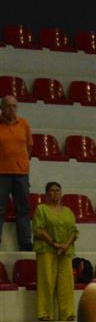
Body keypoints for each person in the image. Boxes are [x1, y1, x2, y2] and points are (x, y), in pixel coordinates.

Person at [33, 181, 78, 321]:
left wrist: (65, 245)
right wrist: (54, 244)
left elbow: (74, 231)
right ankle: (45, 314)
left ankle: (67, 313)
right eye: (52, 191)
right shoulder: (41, 209)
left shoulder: (68, 211)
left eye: (58, 190)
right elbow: (38, 229)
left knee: (66, 283)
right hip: (47, 249)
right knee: (46, 281)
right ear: (46, 194)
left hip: (65, 251)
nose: (55, 193)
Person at [0, 95, 34, 250]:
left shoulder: (24, 124)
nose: (11, 109)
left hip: (21, 173)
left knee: (23, 208)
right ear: (2, 107)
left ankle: (25, 241)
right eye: (8, 106)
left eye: (14, 106)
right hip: (1, 172)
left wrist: (21, 162)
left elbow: (29, 146)